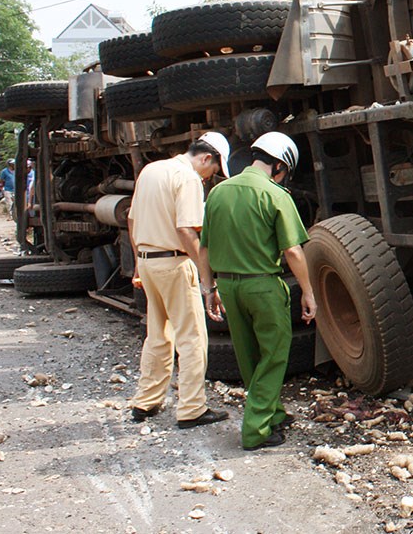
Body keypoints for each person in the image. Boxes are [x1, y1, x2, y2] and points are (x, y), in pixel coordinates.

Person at [200, 132, 316, 451]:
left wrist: (208, 288)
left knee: (248, 355)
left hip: (228, 284)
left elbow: (204, 248)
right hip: (262, 285)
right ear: (279, 165)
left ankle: (273, 412)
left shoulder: (218, 192)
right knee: (274, 354)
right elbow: (292, 251)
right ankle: (257, 429)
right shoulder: (276, 195)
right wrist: (308, 292)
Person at [128, 132, 231, 428]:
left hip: (148, 261)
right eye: (213, 171)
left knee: (158, 334)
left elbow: (132, 220)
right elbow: (187, 230)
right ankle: (191, 408)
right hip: (174, 263)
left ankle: (145, 402)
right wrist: (206, 277)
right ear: (206, 158)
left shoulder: (151, 170)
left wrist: (138, 261)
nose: (211, 177)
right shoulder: (187, 179)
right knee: (192, 337)